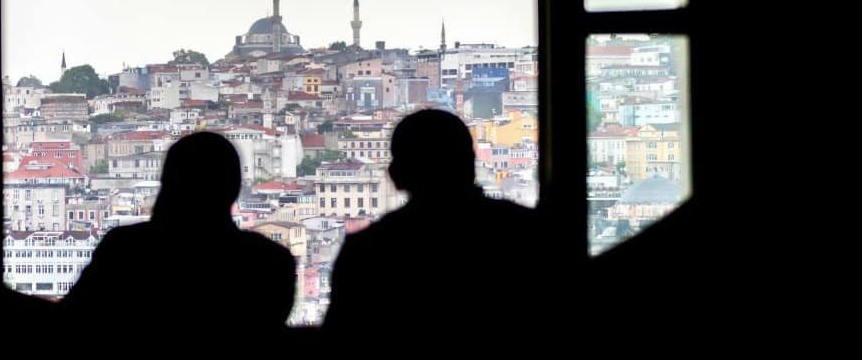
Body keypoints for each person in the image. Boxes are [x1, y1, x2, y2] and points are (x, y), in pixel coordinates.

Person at [322, 108, 549, 349]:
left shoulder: (369, 251)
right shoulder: (528, 232)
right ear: (471, 165)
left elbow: (341, 342)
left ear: (396, 175)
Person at [61, 131, 296, 347]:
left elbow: (74, 321)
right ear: (233, 189)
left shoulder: (127, 249)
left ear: (168, 184)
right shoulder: (270, 262)